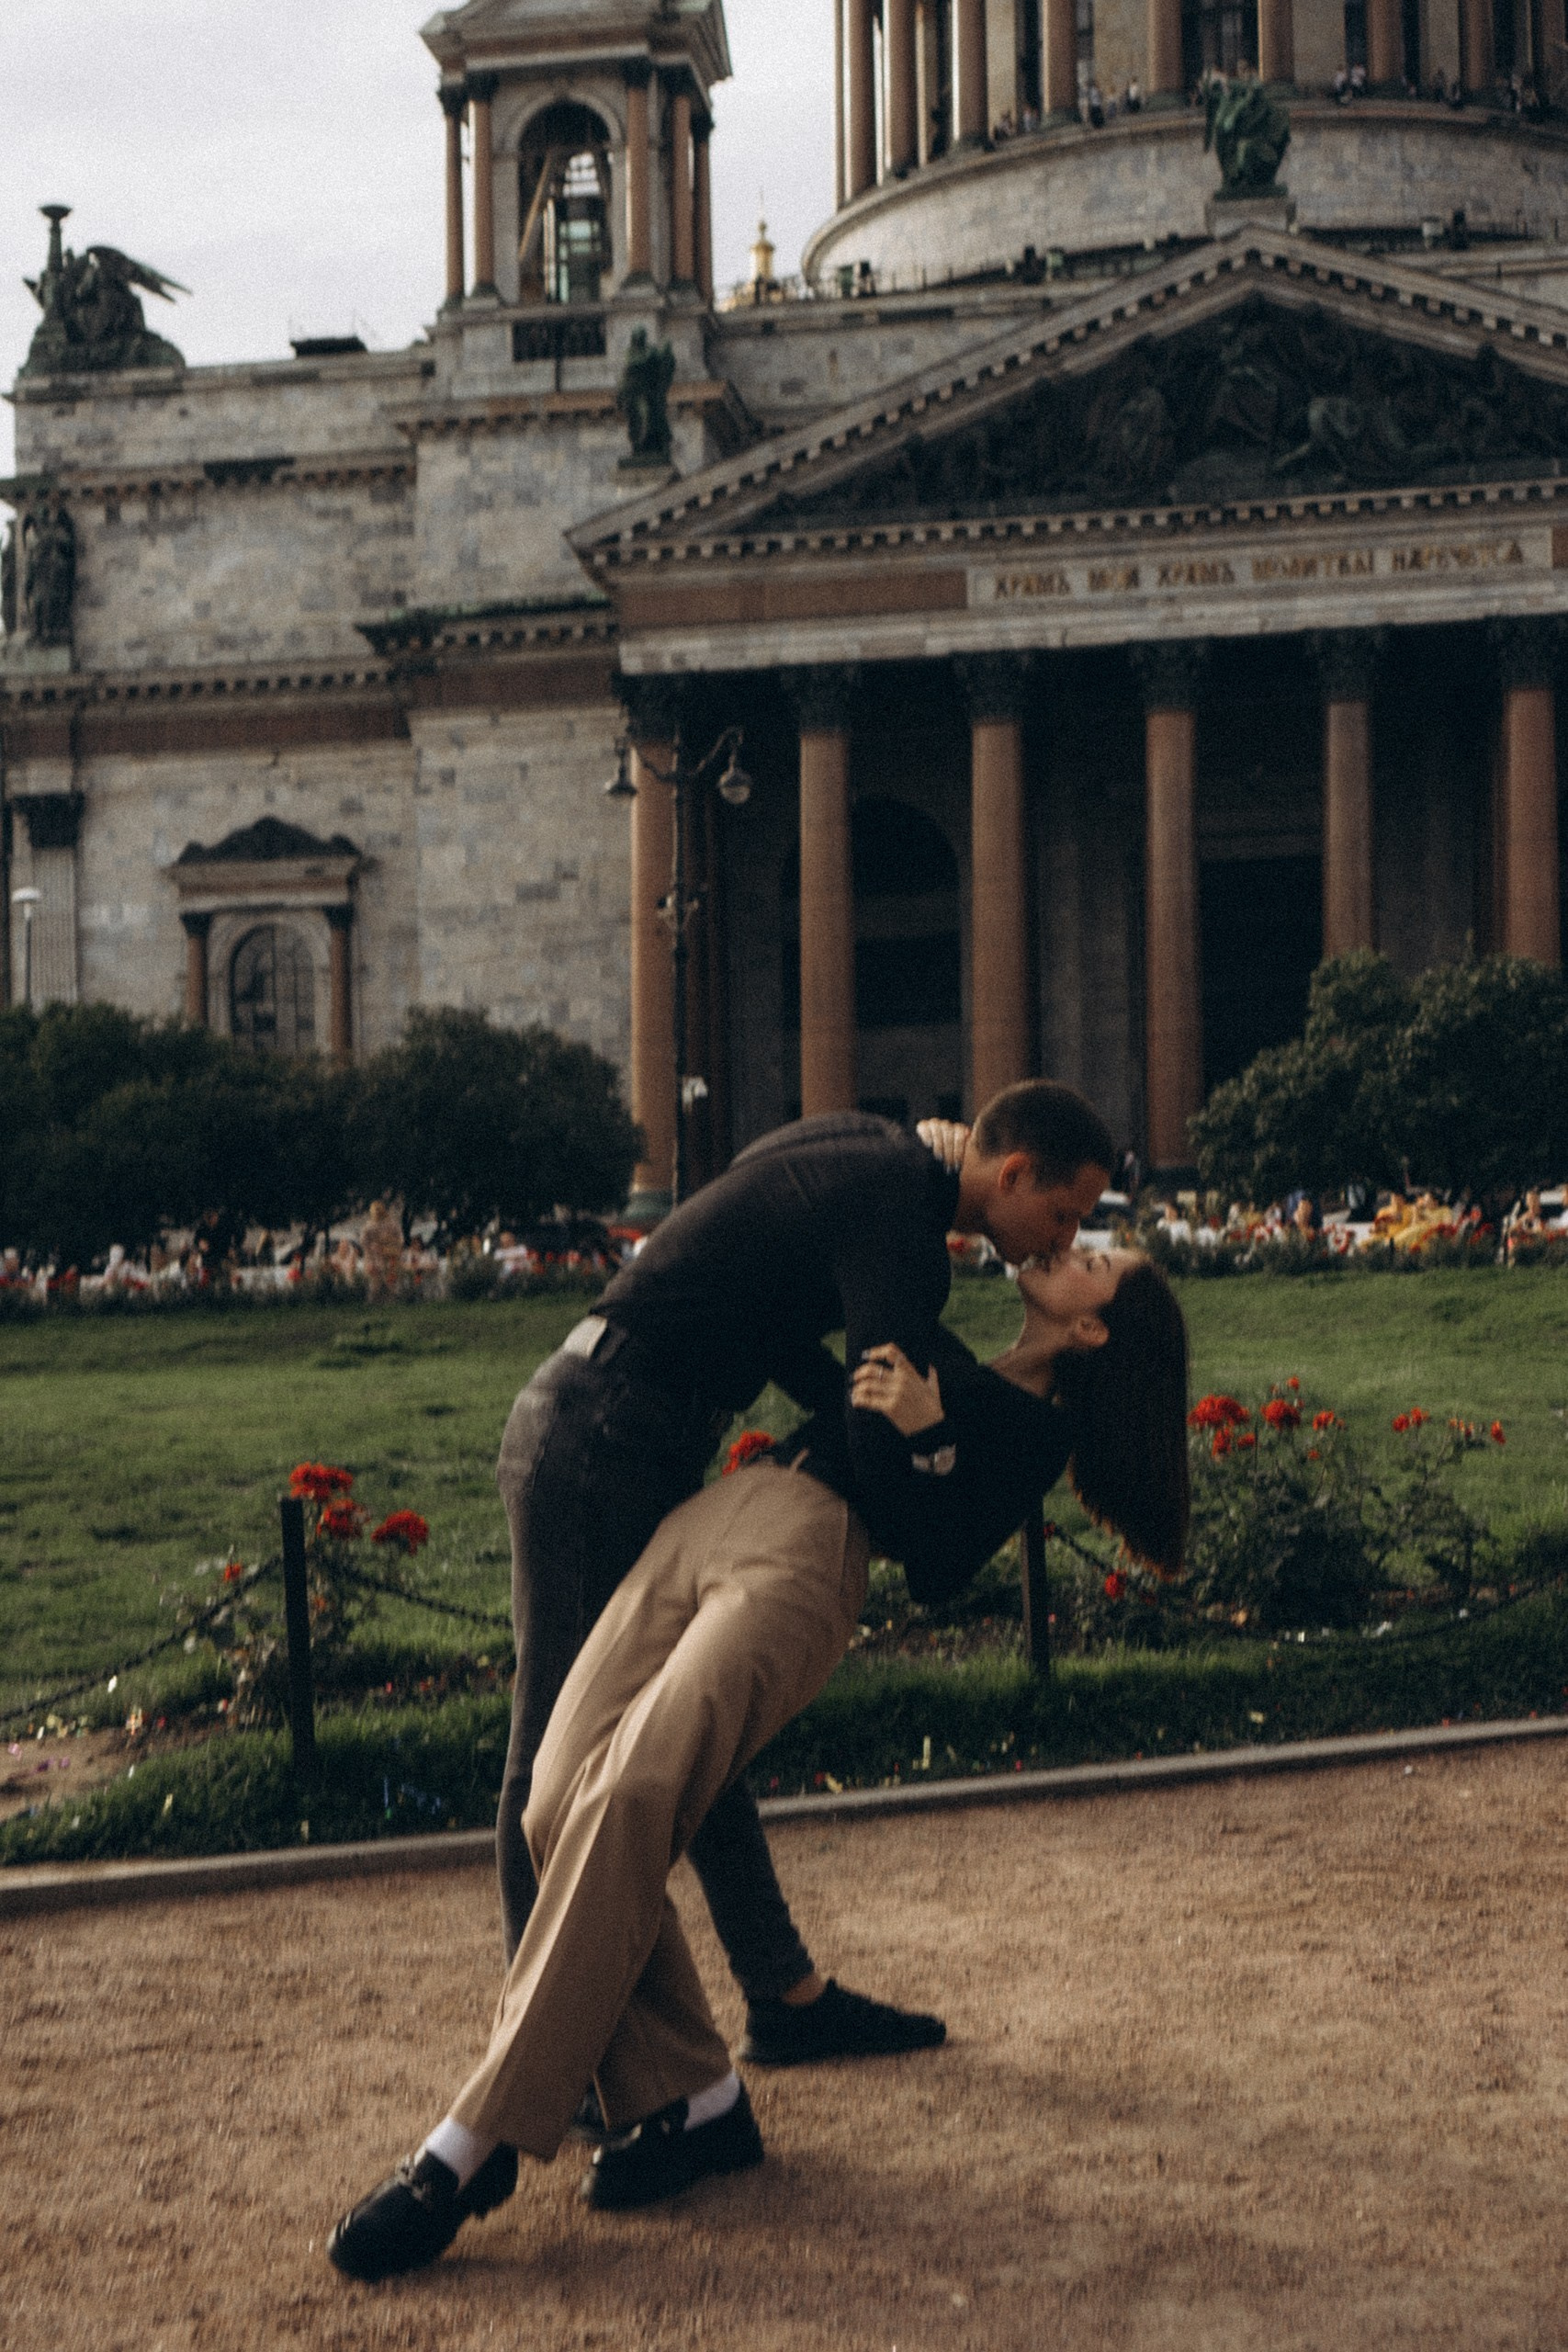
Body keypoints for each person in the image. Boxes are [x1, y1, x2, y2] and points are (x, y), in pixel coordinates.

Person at [326, 1240, 1189, 2281]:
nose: (1064, 1246)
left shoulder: (1035, 1428)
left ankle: (470, 2146)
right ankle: (700, 2096)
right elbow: (810, 1359)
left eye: (1093, 1260)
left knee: (636, 1791)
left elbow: (942, 1561)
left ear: (1094, 1327)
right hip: (714, 1516)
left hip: (805, 1554)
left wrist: (931, 1440)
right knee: (553, 1803)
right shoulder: (944, 1346)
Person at [489, 1085, 1114, 2079]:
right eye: (1065, 1213)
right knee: (553, 1750)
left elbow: (811, 1343)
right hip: (609, 1427)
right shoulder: (900, 1216)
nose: (1061, 1236)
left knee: (687, 1731)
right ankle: (564, 2055)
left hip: (615, 1417)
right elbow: (874, 1419)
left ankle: (782, 1995)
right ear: (1014, 1172)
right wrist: (922, 1439)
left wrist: (914, 1417)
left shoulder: (870, 1157)